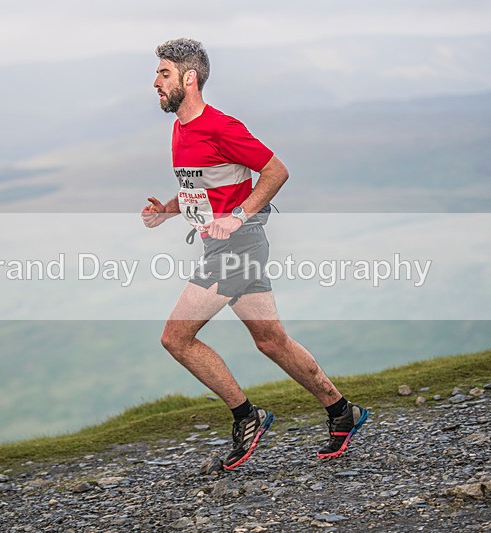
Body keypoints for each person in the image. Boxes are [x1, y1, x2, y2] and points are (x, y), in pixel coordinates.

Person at [141, 38, 368, 471]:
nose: (155, 82)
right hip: (224, 244)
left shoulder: (221, 126)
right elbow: (202, 188)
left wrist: (239, 216)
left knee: (175, 337)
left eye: (163, 73)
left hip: (236, 247)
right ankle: (343, 412)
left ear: (189, 79)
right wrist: (168, 210)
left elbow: (276, 170)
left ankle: (248, 417)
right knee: (271, 341)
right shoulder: (181, 128)